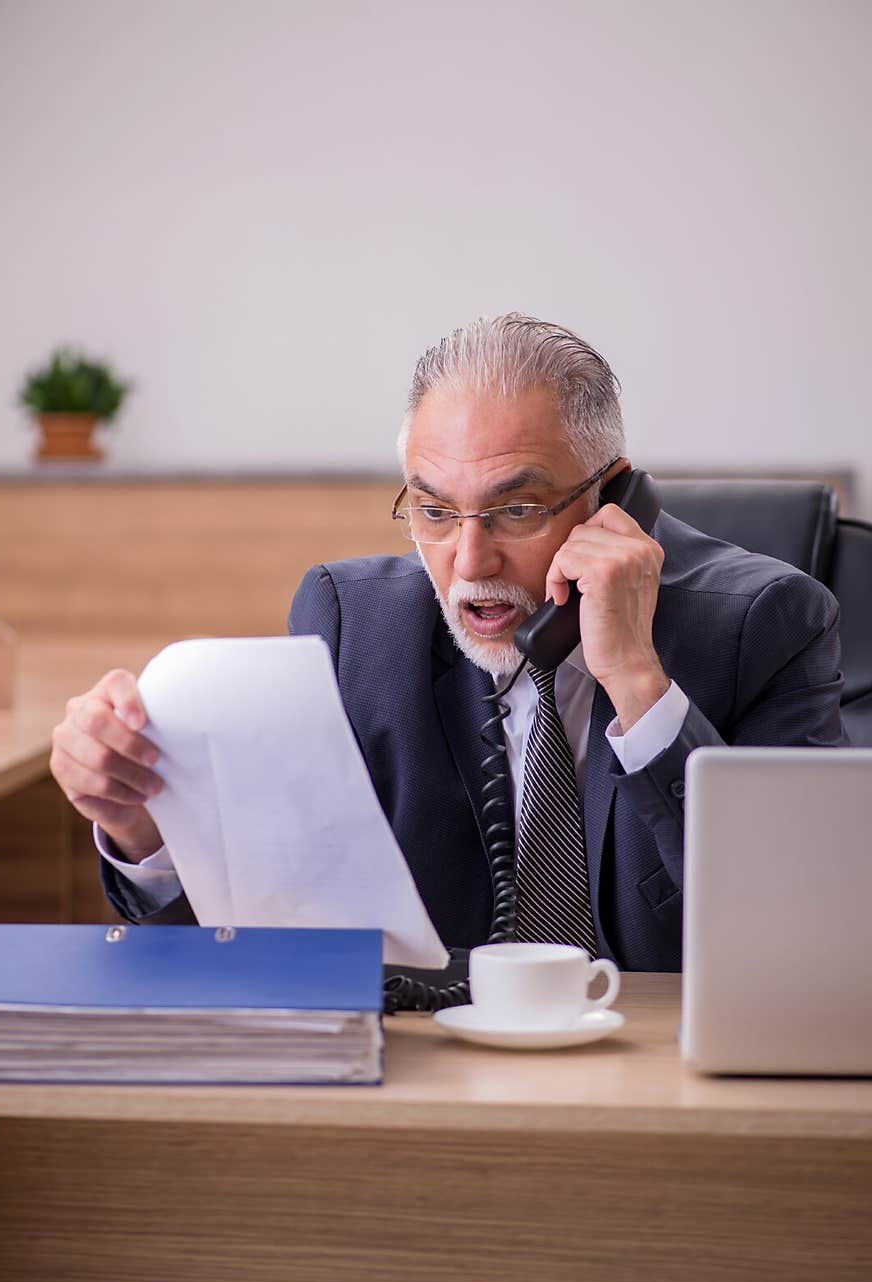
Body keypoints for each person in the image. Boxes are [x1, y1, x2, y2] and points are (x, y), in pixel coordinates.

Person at [50, 314, 846, 972]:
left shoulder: (767, 625)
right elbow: (241, 943)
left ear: (613, 500)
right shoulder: (355, 627)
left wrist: (637, 681)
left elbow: (802, 939)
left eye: (516, 510)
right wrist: (142, 829)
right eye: (434, 513)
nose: (469, 565)